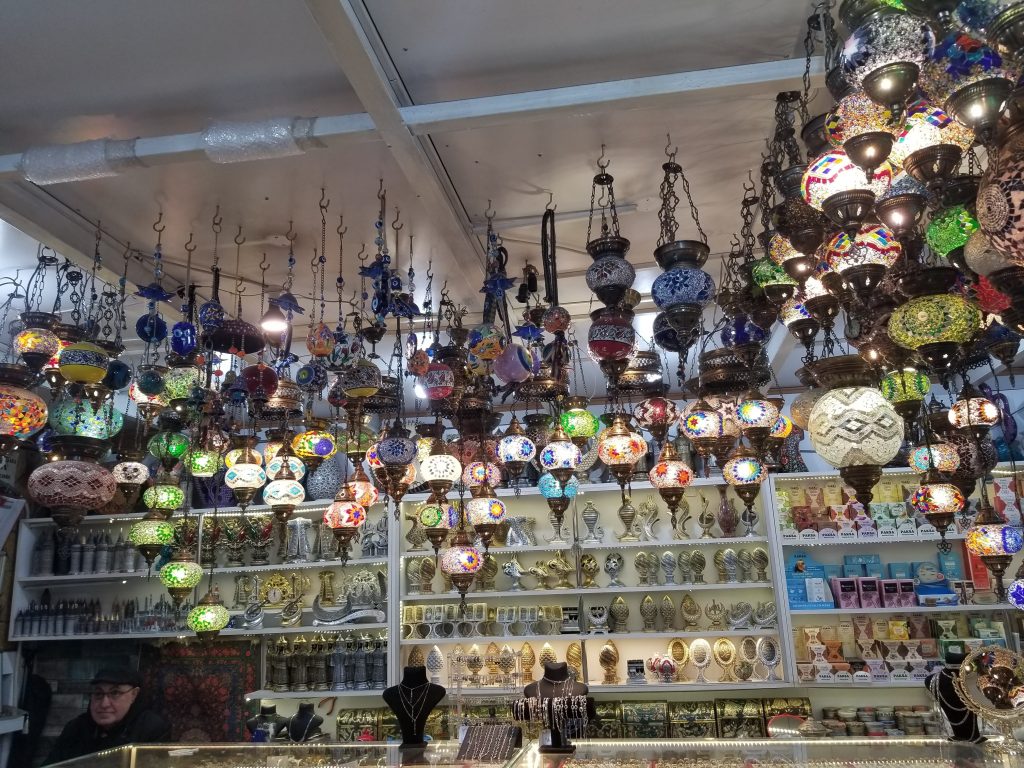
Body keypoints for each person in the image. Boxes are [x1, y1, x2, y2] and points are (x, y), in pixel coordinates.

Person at [44, 666, 171, 764]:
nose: (104, 704)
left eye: (115, 693)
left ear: (134, 694)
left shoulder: (152, 729)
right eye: (98, 694)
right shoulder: (76, 728)